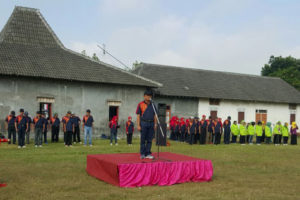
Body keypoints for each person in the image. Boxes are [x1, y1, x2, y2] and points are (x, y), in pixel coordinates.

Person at [136, 90, 157, 159]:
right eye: (147, 96)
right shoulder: (140, 104)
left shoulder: (153, 105)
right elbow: (138, 115)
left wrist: (155, 124)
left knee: (149, 139)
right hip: (144, 123)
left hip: (151, 123)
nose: (148, 97)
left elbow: (155, 115)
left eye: (149, 96)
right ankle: (142, 153)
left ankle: (148, 153)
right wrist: (138, 125)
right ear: (144, 96)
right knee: (143, 139)